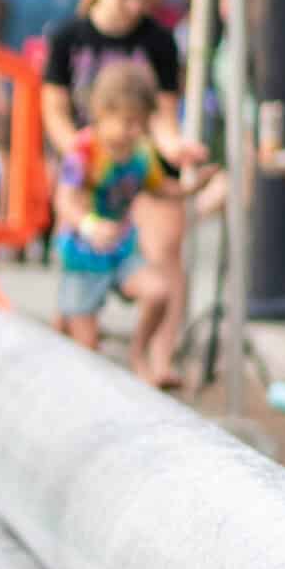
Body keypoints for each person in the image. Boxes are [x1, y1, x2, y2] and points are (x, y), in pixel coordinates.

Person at [42, 0, 209, 382]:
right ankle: (72, 345)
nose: (135, 6)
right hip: (86, 164)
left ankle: (157, 357)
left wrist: (175, 149)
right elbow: (54, 109)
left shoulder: (157, 40)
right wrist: (82, 154)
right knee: (79, 264)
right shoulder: (68, 36)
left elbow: (163, 116)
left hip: (139, 158)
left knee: (165, 247)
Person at [51, 64, 182, 383]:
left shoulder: (141, 154)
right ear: (103, 113)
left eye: (141, 124)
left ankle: (138, 352)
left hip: (121, 249)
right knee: (85, 351)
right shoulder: (84, 151)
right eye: (127, 122)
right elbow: (64, 200)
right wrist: (88, 225)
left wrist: (195, 186)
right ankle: (66, 329)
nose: (135, 131)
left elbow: (160, 188)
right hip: (83, 255)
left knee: (158, 292)